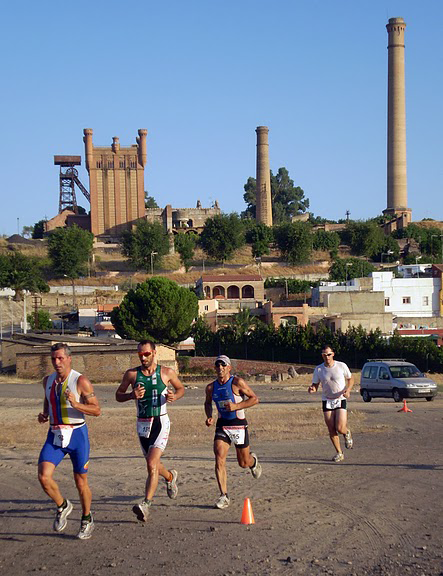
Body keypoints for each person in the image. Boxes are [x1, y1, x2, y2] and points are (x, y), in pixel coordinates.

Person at [115, 340, 185, 521]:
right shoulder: (132, 374)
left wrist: (174, 396)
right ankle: (170, 477)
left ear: (154, 353)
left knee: (151, 463)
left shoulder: (166, 372)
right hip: (142, 423)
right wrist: (131, 395)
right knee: (152, 463)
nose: (143, 358)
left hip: (160, 422)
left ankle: (146, 504)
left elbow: (180, 389)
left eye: (146, 354)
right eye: (140, 355)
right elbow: (118, 395)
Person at [37, 343, 101, 539]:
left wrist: (76, 403)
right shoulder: (47, 381)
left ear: (69, 359)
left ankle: (87, 519)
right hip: (55, 434)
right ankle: (63, 505)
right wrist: (45, 413)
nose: (57, 362)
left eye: (60, 358)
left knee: (80, 482)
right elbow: (48, 399)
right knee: (43, 476)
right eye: (53, 359)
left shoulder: (80, 381)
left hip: (77, 436)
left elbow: (96, 410)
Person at [204, 355, 262, 509]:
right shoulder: (210, 387)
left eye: (223, 365)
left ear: (229, 367)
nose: (220, 368)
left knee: (243, 463)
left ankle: (253, 462)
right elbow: (207, 403)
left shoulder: (237, 383)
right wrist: (209, 416)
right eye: (217, 365)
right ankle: (224, 496)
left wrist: (236, 406)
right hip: (222, 425)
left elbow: (254, 399)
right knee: (219, 456)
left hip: (238, 424)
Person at [308, 344, 354, 462]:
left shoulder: (341, 365)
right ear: (322, 356)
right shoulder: (319, 369)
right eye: (324, 355)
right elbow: (315, 384)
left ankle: (346, 432)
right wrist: (312, 388)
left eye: (329, 354)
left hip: (340, 398)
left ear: (333, 354)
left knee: (340, 427)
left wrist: (348, 390)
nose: (327, 357)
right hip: (327, 400)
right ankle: (339, 453)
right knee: (331, 428)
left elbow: (350, 378)